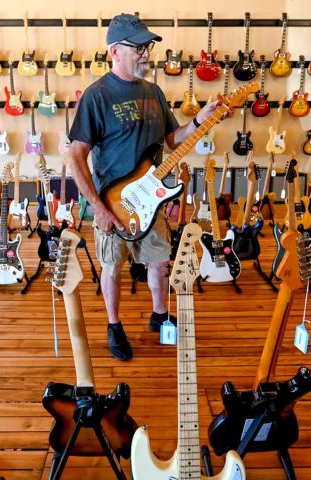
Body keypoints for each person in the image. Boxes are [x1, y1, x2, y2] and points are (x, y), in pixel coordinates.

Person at [68, 13, 223, 360]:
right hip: (114, 203)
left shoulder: (153, 92)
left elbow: (172, 139)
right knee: (113, 267)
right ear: (114, 51)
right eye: (138, 47)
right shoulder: (97, 96)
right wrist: (98, 208)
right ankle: (114, 325)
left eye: (147, 46)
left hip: (153, 199)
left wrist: (201, 120)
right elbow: (75, 156)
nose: (145, 53)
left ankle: (158, 314)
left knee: (158, 260)